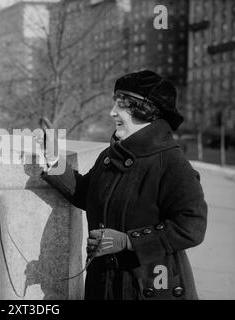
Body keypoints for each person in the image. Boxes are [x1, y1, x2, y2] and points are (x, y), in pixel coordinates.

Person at [39, 70, 207, 300]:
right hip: (103, 284)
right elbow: (84, 193)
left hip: (150, 285)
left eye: (120, 105)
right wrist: (53, 159)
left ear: (143, 110)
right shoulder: (110, 156)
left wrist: (128, 241)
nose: (112, 112)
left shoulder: (172, 164)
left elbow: (192, 226)